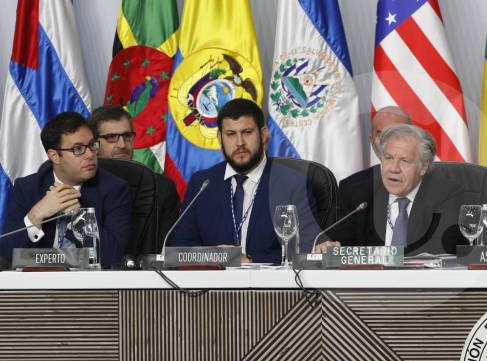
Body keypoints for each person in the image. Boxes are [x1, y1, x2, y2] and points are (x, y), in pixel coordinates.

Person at [170, 99, 319, 263]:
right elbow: (180, 249)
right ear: (220, 138)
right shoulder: (203, 184)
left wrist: (247, 262)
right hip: (212, 286)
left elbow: (307, 249)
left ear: (263, 135)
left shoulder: (292, 183)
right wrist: (217, 256)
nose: (239, 143)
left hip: (271, 286)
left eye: (247, 132)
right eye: (231, 134)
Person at [0, 112, 131, 268]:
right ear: (55, 156)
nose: (90, 155)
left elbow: (113, 256)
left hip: (93, 284)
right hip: (38, 283)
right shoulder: (27, 188)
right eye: (78, 149)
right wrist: (35, 215)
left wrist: (79, 217)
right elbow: (7, 253)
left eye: (92, 145)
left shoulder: (114, 188)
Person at [321, 124, 467, 254]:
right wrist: (331, 247)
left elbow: (441, 248)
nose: (393, 168)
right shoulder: (358, 193)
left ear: (423, 167)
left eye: (404, 161)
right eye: (389, 158)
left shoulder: (448, 195)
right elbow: (341, 242)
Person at [87, 105, 180, 251]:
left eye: (127, 136)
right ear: (93, 144)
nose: (123, 145)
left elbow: (171, 248)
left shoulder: (162, 187)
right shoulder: (81, 184)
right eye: (111, 137)